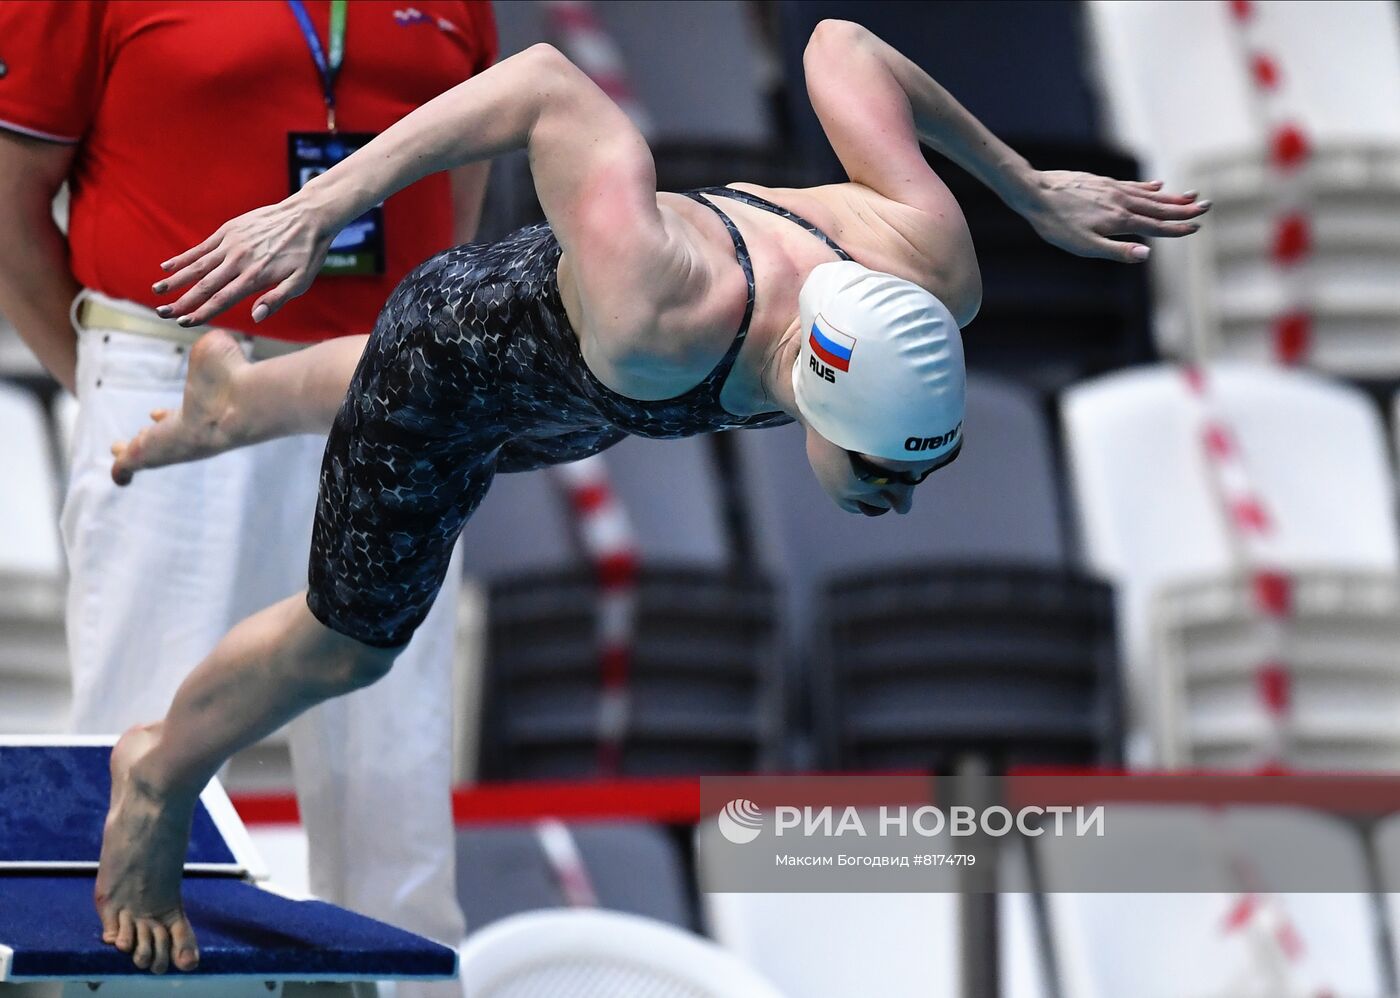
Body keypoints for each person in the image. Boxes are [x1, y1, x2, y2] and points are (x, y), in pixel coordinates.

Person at [93, 18, 1209, 974]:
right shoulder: (662, 293)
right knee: (355, 635)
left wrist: (1023, 189)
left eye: (919, 471)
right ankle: (158, 772)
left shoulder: (931, 268)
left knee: (497, 421)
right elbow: (545, 84)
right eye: (881, 472)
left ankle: (233, 399)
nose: (899, 505)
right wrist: (315, 207)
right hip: (468, 348)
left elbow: (841, 45)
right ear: (813, 402)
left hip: (594, 392)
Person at [0, 3, 496, 991]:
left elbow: (458, 204)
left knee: (394, 777)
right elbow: (8, 206)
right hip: (177, 377)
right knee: (145, 740)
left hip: (383, 388)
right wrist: (111, 380)